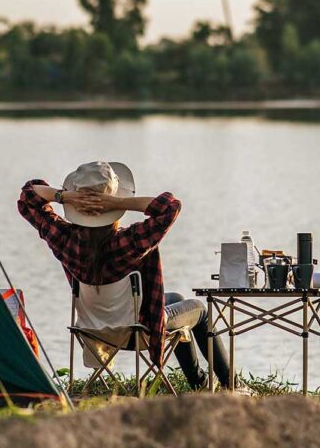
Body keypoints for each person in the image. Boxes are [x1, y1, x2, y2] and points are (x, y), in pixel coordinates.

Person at [17, 160, 231, 391]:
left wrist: (64, 197)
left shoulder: (63, 239)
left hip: (94, 331)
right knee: (199, 310)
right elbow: (170, 206)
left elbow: (29, 195)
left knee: (176, 297)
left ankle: (200, 382)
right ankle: (229, 384)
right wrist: (117, 202)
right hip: (140, 331)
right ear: (113, 206)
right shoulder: (129, 241)